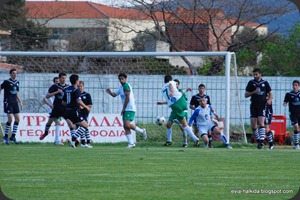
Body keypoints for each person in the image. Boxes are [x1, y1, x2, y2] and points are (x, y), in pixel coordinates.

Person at [105, 73, 147, 148]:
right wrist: (110, 92)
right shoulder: (121, 87)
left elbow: (127, 98)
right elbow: (115, 95)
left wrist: (123, 109)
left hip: (130, 108)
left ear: (126, 79)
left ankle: (141, 131)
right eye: (120, 79)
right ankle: (131, 143)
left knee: (126, 125)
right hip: (127, 109)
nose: (121, 80)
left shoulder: (126, 86)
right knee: (125, 126)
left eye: (122, 79)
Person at [160, 75, 199, 147]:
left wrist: (171, 92)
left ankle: (193, 139)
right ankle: (194, 139)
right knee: (170, 124)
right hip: (178, 103)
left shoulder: (167, 85)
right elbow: (177, 93)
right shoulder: (170, 88)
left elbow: (170, 85)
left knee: (184, 125)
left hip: (176, 104)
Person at [245, 68, 272, 149]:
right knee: (253, 126)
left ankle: (261, 142)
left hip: (262, 105)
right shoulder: (251, 83)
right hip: (253, 106)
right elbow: (246, 95)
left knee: (261, 123)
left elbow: (270, 93)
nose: (255, 76)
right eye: (254, 74)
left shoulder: (265, 83)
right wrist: (254, 92)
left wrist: (270, 99)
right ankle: (262, 140)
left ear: (260, 74)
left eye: (256, 74)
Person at [62, 74, 91, 148]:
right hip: (74, 110)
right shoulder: (76, 90)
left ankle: (76, 142)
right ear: (76, 81)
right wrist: (85, 107)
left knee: (75, 126)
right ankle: (73, 139)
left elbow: (63, 102)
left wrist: (68, 105)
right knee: (85, 125)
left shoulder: (67, 89)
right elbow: (78, 101)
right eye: (78, 80)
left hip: (67, 111)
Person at [39, 72, 68, 141]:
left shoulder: (67, 87)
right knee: (50, 122)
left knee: (69, 122)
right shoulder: (54, 87)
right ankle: (46, 133)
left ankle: (74, 138)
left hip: (64, 108)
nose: (63, 79)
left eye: (65, 78)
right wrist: (56, 92)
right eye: (62, 78)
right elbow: (47, 96)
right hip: (55, 108)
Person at [189, 83, 218, 147]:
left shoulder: (207, 97)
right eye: (200, 88)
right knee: (196, 129)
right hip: (198, 115)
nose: (201, 90)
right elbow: (190, 106)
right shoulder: (194, 97)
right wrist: (195, 108)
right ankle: (196, 142)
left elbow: (209, 106)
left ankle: (210, 142)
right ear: (198, 89)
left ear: (204, 89)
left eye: (203, 88)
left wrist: (212, 113)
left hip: (206, 115)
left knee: (208, 129)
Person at [0, 69, 23, 145]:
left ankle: (13, 136)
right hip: (8, 102)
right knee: (10, 118)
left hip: (15, 103)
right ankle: (6, 136)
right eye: (13, 73)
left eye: (16, 73)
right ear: (10, 74)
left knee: (17, 119)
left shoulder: (17, 82)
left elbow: (16, 93)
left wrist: (20, 102)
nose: (15, 74)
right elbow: (0, 88)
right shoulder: (6, 82)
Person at [42, 77, 63, 145]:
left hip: (58, 108)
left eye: (58, 81)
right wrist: (50, 105)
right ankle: (56, 140)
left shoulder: (61, 90)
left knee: (53, 123)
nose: (57, 82)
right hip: (51, 109)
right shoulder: (51, 89)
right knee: (58, 123)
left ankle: (46, 132)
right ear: (54, 82)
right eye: (56, 81)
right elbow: (44, 99)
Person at [283, 80, 300, 150]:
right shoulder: (289, 94)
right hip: (293, 114)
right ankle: (296, 144)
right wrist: (284, 103)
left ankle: (296, 142)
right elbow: (285, 102)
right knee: (296, 126)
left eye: (296, 85)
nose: (295, 87)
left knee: (298, 129)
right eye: (294, 85)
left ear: (298, 86)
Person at [78, 80, 93, 148]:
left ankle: (85, 142)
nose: (80, 88)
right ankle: (84, 142)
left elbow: (90, 105)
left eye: (81, 86)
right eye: (78, 86)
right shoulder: (76, 95)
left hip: (85, 113)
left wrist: (84, 107)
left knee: (85, 127)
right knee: (84, 127)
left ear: (83, 86)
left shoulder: (87, 95)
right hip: (78, 113)